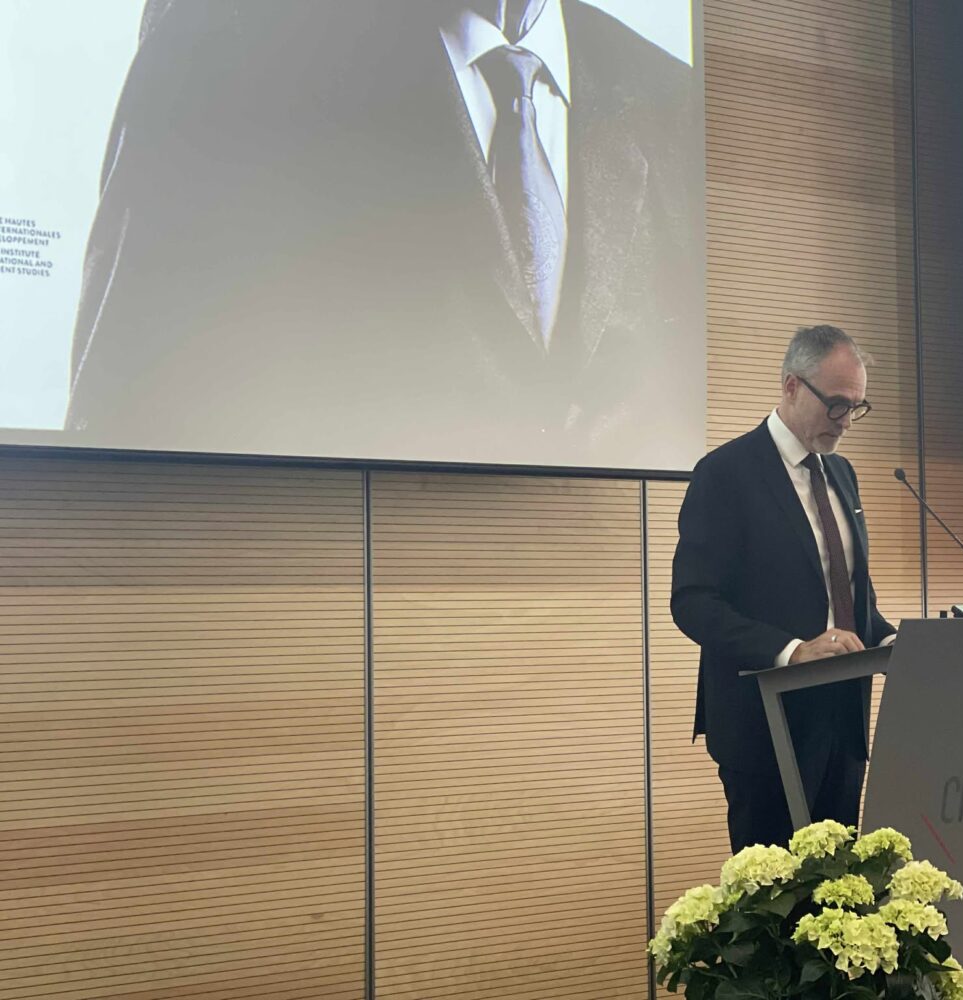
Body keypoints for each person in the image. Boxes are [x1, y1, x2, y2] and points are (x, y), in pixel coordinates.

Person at [64, 0, 703, 469]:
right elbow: (124, 399)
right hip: (309, 581)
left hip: (587, 581)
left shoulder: (670, 95)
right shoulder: (228, 35)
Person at [671, 325, 897, 853]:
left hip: (843, 721)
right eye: (836, 405)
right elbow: (693, 601)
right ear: (792, 386)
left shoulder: (842, 474)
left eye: (857, 407)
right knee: (776, 897)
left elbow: (850, 593)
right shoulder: (726, 472)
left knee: (843, 890)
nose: (846, 422)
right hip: (765, 727)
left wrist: (890, 641)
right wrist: (792, 651)